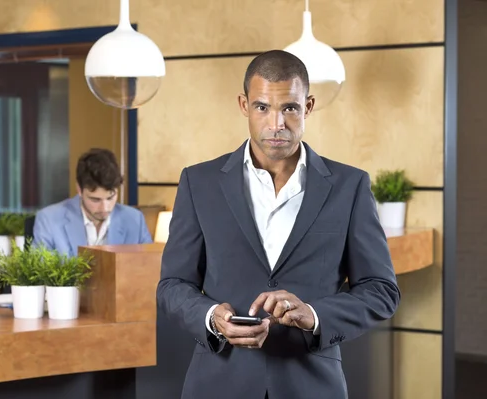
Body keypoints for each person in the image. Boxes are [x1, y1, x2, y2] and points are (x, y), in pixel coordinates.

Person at [156, 50, 400, 399]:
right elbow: (173, 284)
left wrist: (314, 315)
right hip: (218, 383)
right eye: (262, 107)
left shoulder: (350, 186)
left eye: (289, 108)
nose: (276, 124)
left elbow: (381, 290)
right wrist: (211, 317)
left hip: (312, 384)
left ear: (309, 106)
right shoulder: (199, 182)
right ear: (243, 105)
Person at [33, 148, 152, 256]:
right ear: (79, 189)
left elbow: (150, 269)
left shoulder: (135, 220)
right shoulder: (48, 220)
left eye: (110, 198)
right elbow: (41, 276)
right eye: (95, 199)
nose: (105, 208)